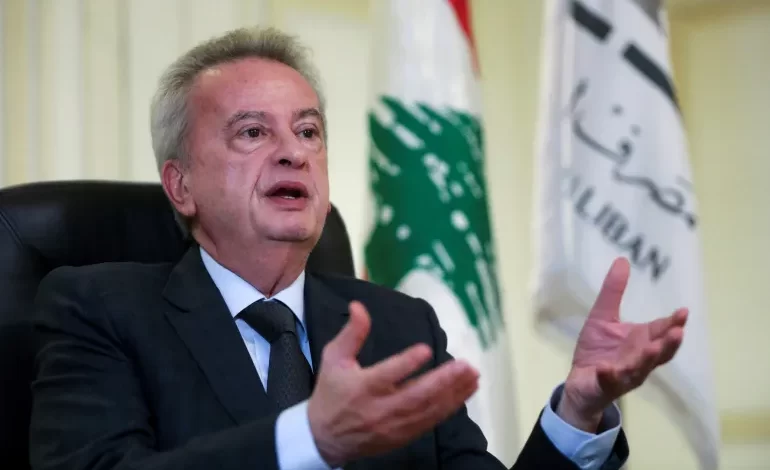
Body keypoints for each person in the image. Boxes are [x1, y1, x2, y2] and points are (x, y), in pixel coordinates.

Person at [29, 27, 688, 470]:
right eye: (252, 131)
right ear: (181, 185)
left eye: (308, 131)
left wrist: (577, 410)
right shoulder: (99, 309)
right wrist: (308, 440)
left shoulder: (400, 327)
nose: (293, 152)